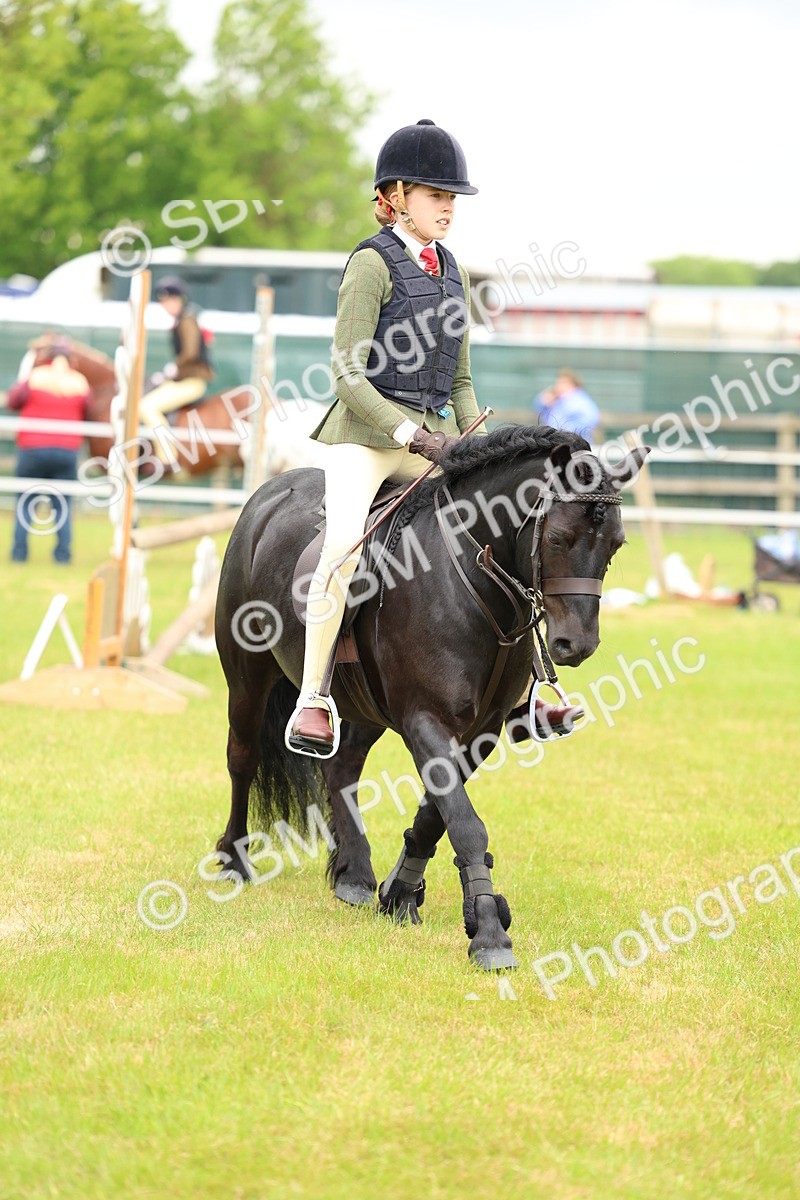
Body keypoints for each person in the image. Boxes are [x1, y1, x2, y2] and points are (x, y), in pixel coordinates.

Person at [286, 119, 579, 756]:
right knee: (341, 546)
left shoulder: (452, 272)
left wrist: (478, 440)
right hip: (366, 440)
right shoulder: (370, 263)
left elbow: (463, 376)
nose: (447, 207)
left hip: (441, 438)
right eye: (434, 195)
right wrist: (407, 433)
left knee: (511, 530)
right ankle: (314, 697)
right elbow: (345, 371)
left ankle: (527, 693)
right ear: (395, 195)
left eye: (452, 197)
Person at [8, 339, 92, 564]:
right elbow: (90, 407)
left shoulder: (35, 378)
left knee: (25, 503)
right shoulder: (80, 382)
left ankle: (19, 554)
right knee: (62, 505)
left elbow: (13, 400)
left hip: (32, 450)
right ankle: (62, 556)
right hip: (66, 452)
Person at [139, 275, 215, 464]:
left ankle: (167, 456)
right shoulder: (182, 319)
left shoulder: (186, 320)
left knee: (146, 407)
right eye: (163, 301)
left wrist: (173, 368)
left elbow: (190, 352)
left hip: (192, 381)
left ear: (179, 299)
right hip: (185, 379)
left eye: (169, 300)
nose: (166, 305)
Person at [534, 369, 601, 443]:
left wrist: (563, 434)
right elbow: (541, 411)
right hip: (556, 443)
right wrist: (543, 399)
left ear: (572, 384)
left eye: (562, 383)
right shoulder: (557, 400)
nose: (557, 386)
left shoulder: (581, 401)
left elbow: (590, 421)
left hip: (574, 445)